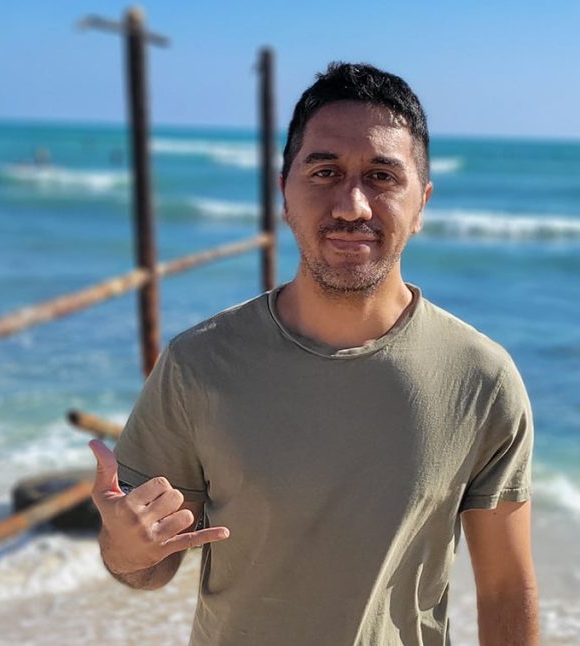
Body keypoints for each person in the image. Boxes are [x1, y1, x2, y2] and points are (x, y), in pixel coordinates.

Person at [89, 62, 539, 646]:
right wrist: (125, 548)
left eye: (381, 176)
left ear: (421, 202)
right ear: (285, 194)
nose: (352, 205)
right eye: (324, 172)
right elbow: (146, 567)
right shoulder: (199, 363)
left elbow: (507, 590)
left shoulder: (481, 379)